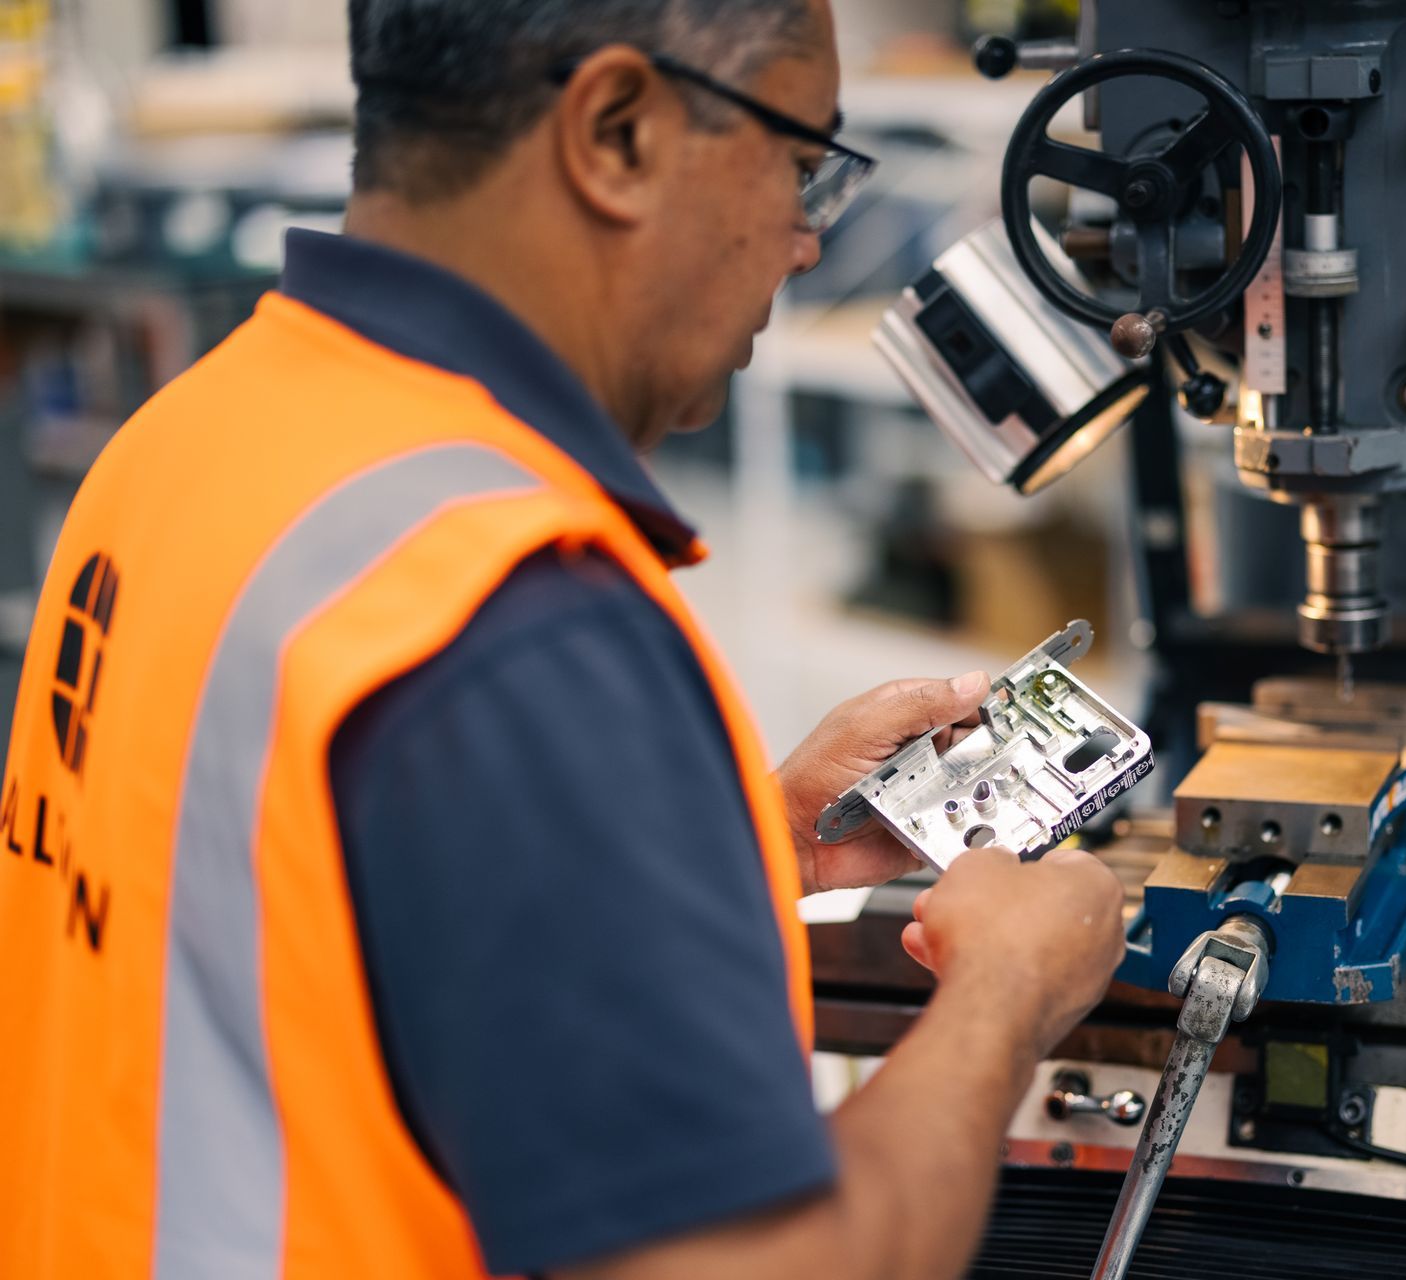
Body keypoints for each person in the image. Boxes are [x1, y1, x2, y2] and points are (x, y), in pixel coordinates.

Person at [0, 2, 1127, 1277]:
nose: (808, 240)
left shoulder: (186, 441)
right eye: (799, 164)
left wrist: (743, 843)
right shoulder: (511, 609)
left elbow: (294, 926)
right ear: (617, 133)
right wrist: (1009, 993)